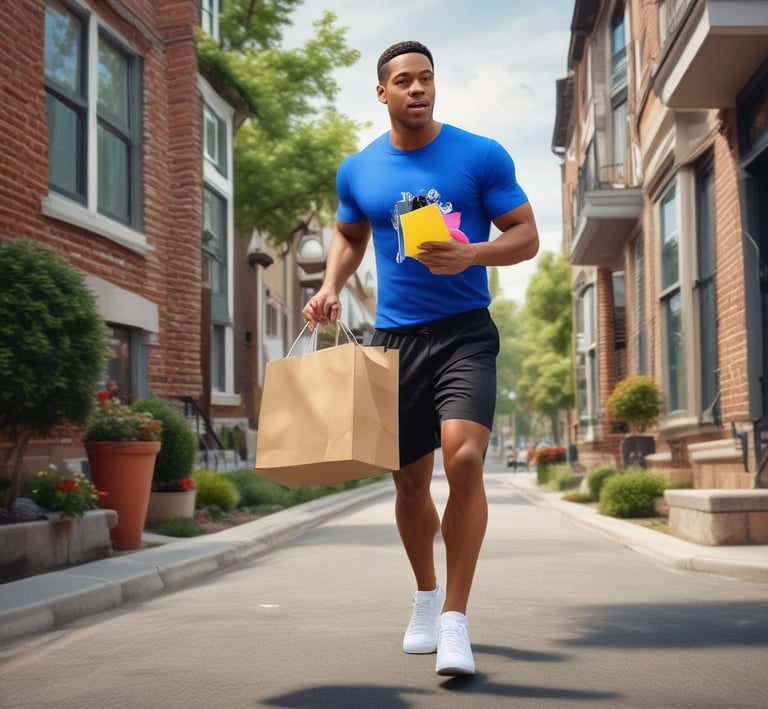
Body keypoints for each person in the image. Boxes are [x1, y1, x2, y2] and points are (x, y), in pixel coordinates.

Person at [302, 40, 539, 676]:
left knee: (464, 458)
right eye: (403, 80)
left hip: (464, 331)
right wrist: (328, 286)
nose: (417, 89)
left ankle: (457, 620)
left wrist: (472, 255)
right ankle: (427, 596)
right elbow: (350, 235)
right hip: (394, 342)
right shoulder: (358, 170)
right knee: (409, 481)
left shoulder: (481, 154)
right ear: (382, 93)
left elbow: (526, 236)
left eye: (426, 78)